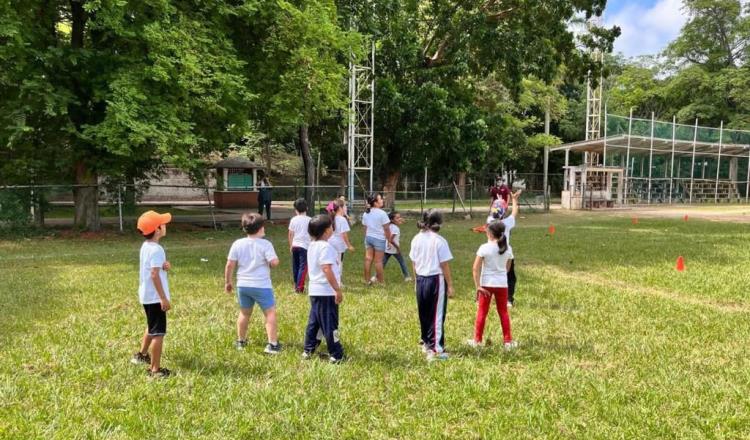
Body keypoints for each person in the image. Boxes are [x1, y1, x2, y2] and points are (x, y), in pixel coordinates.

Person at [224, 213, 282, 354]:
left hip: (243, 285)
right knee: (270, 313)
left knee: (244, 313)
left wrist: (228, 282)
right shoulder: (266, 244)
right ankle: (272, 344)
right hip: (262, 285)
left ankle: (241, 341)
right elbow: (274, 262)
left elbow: (230, 264)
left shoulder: (237, 243)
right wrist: (274, 262)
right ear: (261, 228)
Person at [132, 210, 173, 378]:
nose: (165, 226)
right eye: (162, 224)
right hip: (155, 297)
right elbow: (154, 275)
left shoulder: (146, 246)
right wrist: (163, 298)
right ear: (157, 230)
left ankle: (141, 355)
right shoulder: (157, 249)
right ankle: (154, 370)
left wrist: (163, 266)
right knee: (158, 332)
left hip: (146, 295)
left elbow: (153, 268)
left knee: (151, 326)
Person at [409, 209, 454, 361]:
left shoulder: (416, 239)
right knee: (436, 315)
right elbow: (444, 265)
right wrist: (450, 285)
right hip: (435, 280)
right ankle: (435, 350)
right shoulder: (439, 241)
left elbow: (413, 262)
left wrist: (416, 281)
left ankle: (426, 342)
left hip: (421, 279)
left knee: (424, 312)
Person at [467, 220, 516, 350]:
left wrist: (478, 286)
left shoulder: (484, 248)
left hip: (486, 284)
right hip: (502, 284)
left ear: (489, 233)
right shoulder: (508, 248)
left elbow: (475, 268)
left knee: (482, 312)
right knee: (503, 312)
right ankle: (507, 341)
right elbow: (508, 268)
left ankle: (477, 340)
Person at [302, 215, 345, 363]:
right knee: (330, 323)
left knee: (315, 321)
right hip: (326, 291)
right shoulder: (326, 247)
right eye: (331, 226)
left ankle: (308, 349)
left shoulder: (312, 245)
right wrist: (337, 289)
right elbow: (326, 269)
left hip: (315, 290)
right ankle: (336, 354)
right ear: (327, 231)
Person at [362, 193, 392, 285]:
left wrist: (365, 237)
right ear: (375, 203)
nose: (382, 200)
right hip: (379, 239)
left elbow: (365, 228)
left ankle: (367, 280)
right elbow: (387, 229)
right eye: (380, 199)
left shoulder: (366, 213)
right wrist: (389, 241)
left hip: (368, 238)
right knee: (378, 261)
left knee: (368, 259)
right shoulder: (382, 214)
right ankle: (381, 282)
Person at [327, 199, 355, 284]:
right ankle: (338, 282)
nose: (346, 207)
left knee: (331, 261)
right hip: (338, 245)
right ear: (340, 208)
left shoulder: (331, 218)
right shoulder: (342, 219)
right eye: (345, 206)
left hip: (330, 243)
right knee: (339, 263)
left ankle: (330, 279)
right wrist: (349, 245)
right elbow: (344, 235)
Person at [288, 198, 311, 293]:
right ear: (307, 208)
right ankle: (299, 288)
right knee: (303, 267)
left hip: (295, 245)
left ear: (295, 210)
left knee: (296, 266)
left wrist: (291, 245)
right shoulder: (310, 220)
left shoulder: (293, 219)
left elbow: (290, 234)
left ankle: (296, 285)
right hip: (304, 246)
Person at [503, 190, 522, 307]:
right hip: (506, 255)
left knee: (489, 275)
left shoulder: (489, 221)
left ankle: (483, 297)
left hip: (491, 254)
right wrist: (514, 199)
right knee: (509, 277)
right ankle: (508, 299)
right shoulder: (507, 223)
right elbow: (514, 212)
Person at [382, 211, 411, 282]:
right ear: (392, 220)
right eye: (397, 218)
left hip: (387, 248)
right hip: (394, 249)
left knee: (382, 263)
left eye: (400, 217)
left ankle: (375, 277)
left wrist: (400, 220)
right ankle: (407, 277)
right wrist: (398, 248)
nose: (400, 219)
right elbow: (391, 240)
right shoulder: (396, 229)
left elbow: (386, 236)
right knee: (402, 262)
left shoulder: (389, 226)